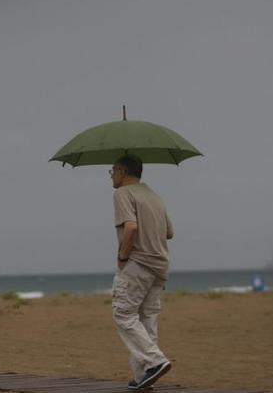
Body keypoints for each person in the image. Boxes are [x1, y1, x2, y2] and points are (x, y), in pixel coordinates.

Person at [110, 154, 173, 390]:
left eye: (112, 171)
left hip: (138, 263)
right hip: (160, 265)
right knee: (147, 319)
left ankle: (155, 362)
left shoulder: (122, 194)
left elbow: (131, 227)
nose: (111, 176)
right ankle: (142, 377)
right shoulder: (154, 196)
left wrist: (122, 256)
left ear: (122, 171)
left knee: (123, 314)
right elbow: (169, 232)